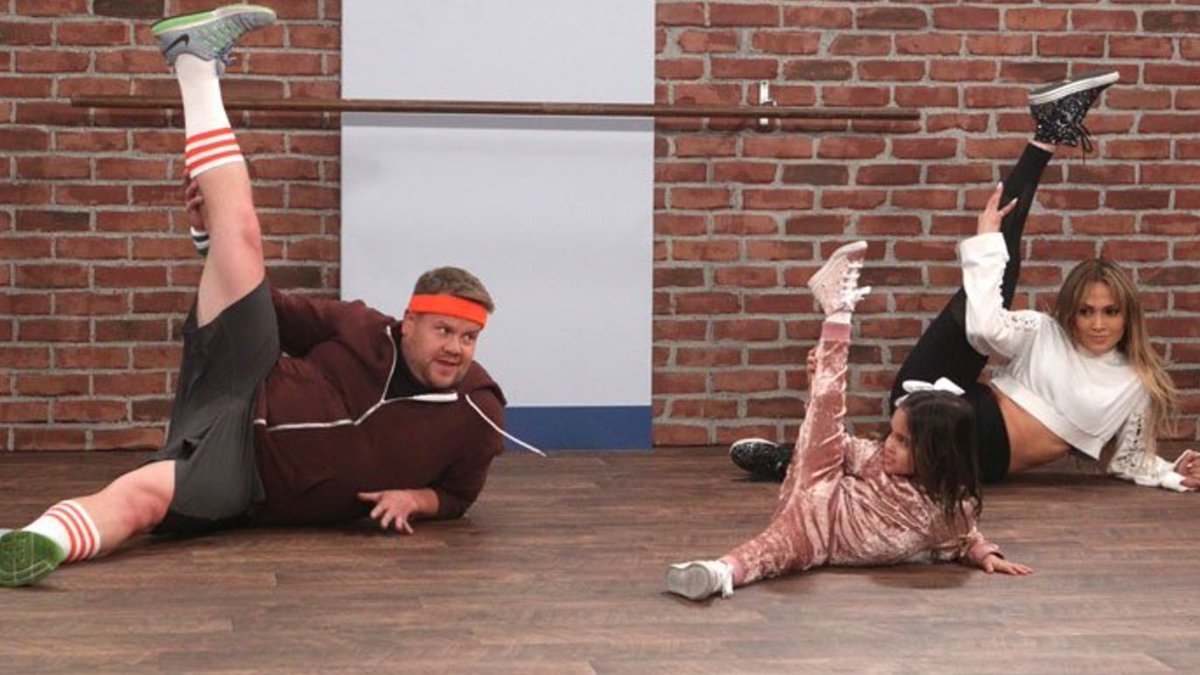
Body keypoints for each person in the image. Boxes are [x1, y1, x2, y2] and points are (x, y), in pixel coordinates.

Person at [0, 5, 512, 588]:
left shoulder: (478, 410)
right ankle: (195, 64)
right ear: (409, 322)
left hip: (246, 475)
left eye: (469, 337)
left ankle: (33, 542)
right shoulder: (361, 327)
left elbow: (459, 496)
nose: (456, 348)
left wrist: (417, 499)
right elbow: (265, 305)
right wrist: (214, 242)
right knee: (241, 233)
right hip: (244, 381)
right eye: (445, 331)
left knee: (142, 498)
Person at [729, 71, 1200, 493]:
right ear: (1070, 313)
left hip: (974, 453)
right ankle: (1046, 138)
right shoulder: (1045, 334)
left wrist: (1173, 470)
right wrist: (989, 241)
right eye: (1086, 311)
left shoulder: (1135, 384)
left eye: (1110, 312)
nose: (1097, 323)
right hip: (940, 402)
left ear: (1127, 317)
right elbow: (983, 328)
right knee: (994, 290)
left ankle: (794, 458)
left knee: (898, 462)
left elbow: (1128, 459)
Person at [665, 242, 1033, 601]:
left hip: (818, 541)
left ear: (939, 454)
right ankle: (838, 312)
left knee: (767, 555)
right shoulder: (876, 459)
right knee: (827, 433)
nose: (890, 445)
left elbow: (965, 540)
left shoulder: (950, 510)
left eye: (904, 442)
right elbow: (831, 441)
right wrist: (818, 392)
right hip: (821, 492)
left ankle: (715, 573)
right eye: (893, 434)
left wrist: (985, 555)